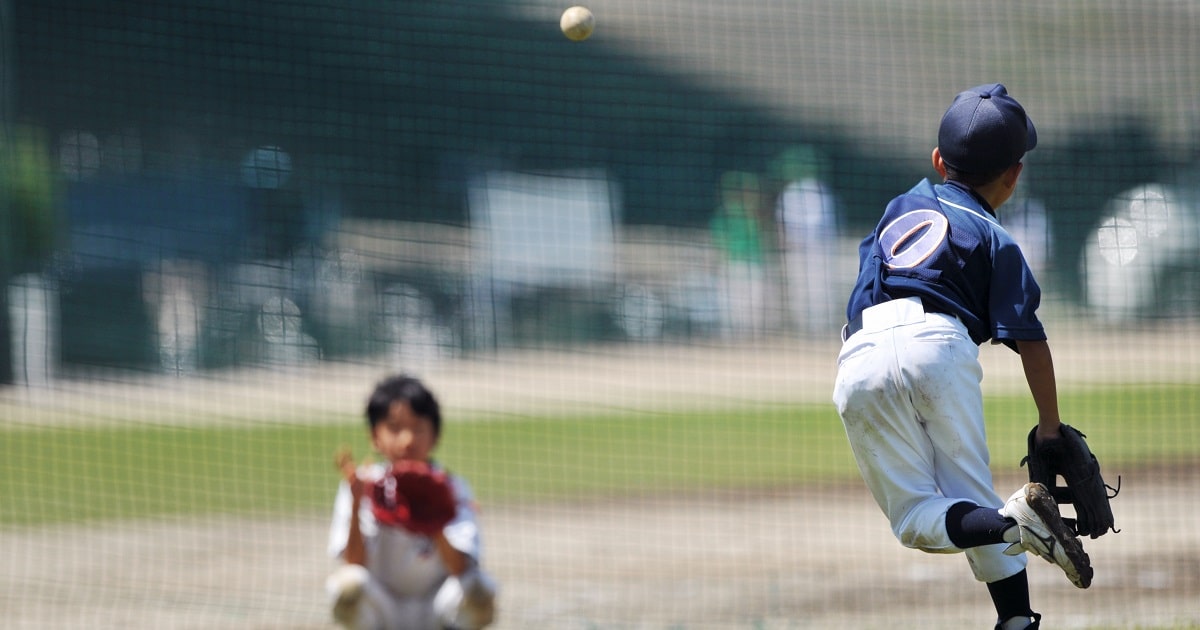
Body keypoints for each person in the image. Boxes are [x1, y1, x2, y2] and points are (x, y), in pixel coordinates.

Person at [831, 84, 1090, 630]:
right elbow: (1030, 340)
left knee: (916, 518)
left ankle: (1016, 609)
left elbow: (864, 285)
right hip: (940, 348)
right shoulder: (997, 239)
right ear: (1014, 175)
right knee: (981, 503)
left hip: (861, 351)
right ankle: (1014, 541)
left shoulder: (898, 209)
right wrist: (1049, 427)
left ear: (935, 161)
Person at [326, 374, 497, 629]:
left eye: (418, 428)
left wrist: (434, 519)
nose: (407, 440)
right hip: (382, 609)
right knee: (349, 584)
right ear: (375, 436)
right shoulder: (361, 485)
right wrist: (356, 502)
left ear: (435, 435)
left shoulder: (451, 487)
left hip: (435, 609)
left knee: (477, 587)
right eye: (394, 428)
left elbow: (461, 568)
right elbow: (353, 563)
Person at [771, 145, 841, 336]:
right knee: (807, 289)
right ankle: (809, 329)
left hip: (814, 248)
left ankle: (817, 329)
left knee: (817, 288)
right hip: (809, 248)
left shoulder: (811, 190)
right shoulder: (807, 190)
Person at [709, 170, 769, 339]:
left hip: (752, 262)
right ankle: (734, 336)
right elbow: (719, 238)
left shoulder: (753, 213)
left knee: (753, 302)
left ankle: (751, 336)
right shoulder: (726, 213)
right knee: (733, 302)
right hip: (733, 262)